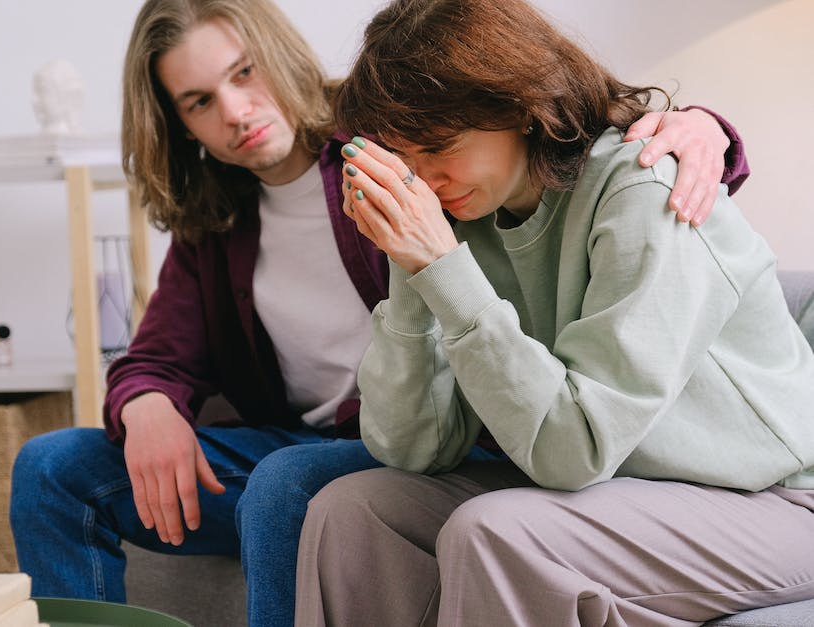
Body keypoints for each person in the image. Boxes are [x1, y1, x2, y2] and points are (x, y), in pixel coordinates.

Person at [8, 0, 749, 625]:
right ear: (178, 122)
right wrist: (144, 404)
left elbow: (573, 144)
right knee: (50, 466)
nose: (235, 112)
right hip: (315, 439)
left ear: (278, 54)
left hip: (445, 432)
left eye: (243, 72)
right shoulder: (216, 213)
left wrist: (705, 128)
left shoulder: (395, 140)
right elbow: (156, 356)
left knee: (287, 482)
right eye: (199, 101)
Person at [294, 0, 814, 625]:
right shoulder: (465, 211)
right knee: (352, 511)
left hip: (774, 501)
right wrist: (412, 267)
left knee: (497, 531)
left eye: (438, 147)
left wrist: (443, 268)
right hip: (623, 490)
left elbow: (575, 449)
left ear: (514, 106)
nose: (423, 180)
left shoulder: (644, 190)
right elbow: (412, 449)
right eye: (404, 159)